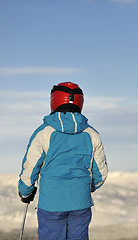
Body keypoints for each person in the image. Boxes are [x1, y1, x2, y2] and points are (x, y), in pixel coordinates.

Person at [18, 82, 108, 240]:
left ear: (54, 100)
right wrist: (87, 187)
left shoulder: (43, 133)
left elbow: (30, 167)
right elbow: (101, 173)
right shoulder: (92, 134)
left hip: (51, 204)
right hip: (81, 202)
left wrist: (25, 191)